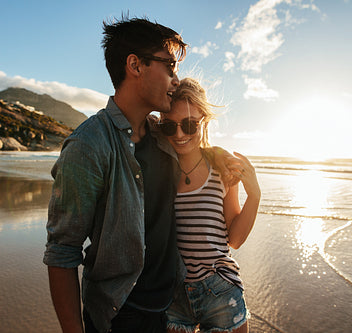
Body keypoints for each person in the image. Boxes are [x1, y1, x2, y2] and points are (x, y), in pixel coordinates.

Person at [43, 17, 232, 333]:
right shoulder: (89, 145)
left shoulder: (164, 135)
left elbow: (192, 143)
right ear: (135, 65)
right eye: (169, 67)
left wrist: (218, 154)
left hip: (174, 309)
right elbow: (62, 251)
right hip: (120, 315)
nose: (175, 79)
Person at [158, 78, 261, 333]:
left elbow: (234, 239)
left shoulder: (221, 170)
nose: (180, 134)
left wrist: (255, 195)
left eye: (190, 124)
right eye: (170, 127)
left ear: (204, 120)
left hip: (220, 291)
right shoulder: (159, 167)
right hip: (173, 295)